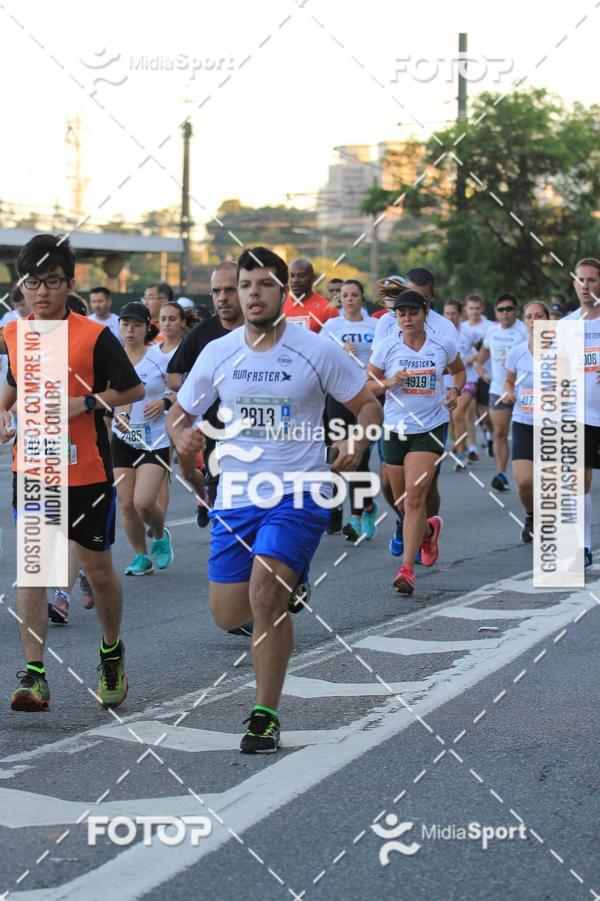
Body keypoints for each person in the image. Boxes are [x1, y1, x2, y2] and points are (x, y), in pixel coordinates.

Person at [167, 246, 381, 753]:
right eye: (245, 286)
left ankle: (264, 714)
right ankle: (293, 577)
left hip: (300, 488)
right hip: (238, 494)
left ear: (283, 291)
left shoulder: (315, 346)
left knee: (266, 595)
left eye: (264, 284)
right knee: (228, 613)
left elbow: (367, 402)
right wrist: (182, 436)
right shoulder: (218, 353)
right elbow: (179, 413)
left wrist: (358, 439)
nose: (253, 294)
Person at [1, 234, 144, 711]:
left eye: (53, 282)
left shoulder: (94, 335)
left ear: (70, 282)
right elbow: (14, 384)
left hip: (87, 475)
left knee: (98, 572)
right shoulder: (15, 333)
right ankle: (35, 675)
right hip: (34, 467)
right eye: (33, 282)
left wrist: (86, 403)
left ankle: (110, 652)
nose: (42, 292)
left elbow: (133, 390)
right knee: (34, 571)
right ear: (21, 286)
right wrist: (3, 413)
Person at [367, 290, 465, 594]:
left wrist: (454, 391)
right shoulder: (387, 347)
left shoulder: (441, 344)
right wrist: (388, 383)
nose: (407, 319)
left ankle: (407, 570)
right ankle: (428, 530)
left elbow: (459, 371)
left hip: (430, 427)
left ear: (425, 314)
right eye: (401, 314)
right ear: (395, 317)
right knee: (402, 505)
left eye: (413, 313)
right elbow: (367, 385)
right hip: (395, 428)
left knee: (413, 499)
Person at [166, 262, 244, 527]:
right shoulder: (203, 335)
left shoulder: (266, 332)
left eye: (230, 290)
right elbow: (173, 375)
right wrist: (199, 385)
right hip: (217, 440)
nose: (222, 297)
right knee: (226, 529)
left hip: (265, 445)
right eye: (216, 291)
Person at [111, 302, 175, 576]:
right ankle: (141, 556)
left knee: (144, 502)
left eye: (136, 325)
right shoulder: (112, 359)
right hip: (123, 438)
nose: (130, 330)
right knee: (125, 504)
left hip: (155, 439)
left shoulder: (160, 359)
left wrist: (164, 402)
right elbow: (108, 399)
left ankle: (160, 536)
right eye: (126, 324)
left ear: (147, 327)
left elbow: (181, 393)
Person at [321, 279, 378, 540]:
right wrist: (340, 351)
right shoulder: (332, 327)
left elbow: (384, 357)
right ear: (340, 300)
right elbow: (320, 358)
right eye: (345, 295)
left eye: (355, 294)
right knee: (337, 455)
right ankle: (361, 505)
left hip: (366, 395)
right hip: (337, 395)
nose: (350, 299)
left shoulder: (375, 326)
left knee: (360, 456)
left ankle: (358, 517)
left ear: (362, 298)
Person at [503, 301, 551, 543]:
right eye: (530, 317)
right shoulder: (517, 352)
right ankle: (532, 515)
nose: (534, 321)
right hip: (524, 421)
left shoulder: (562, 351)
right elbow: (508, 381)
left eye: (539, 316)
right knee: (524, 482)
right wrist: (509, 391)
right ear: (526, 322)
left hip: (554, 425)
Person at [565, 258, 600, 567]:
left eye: (592, 280)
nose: (586, 286)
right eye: (581, 280)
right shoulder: (565, 326)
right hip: (579, 415)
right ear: (574, 285)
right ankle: (584, 547)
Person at [477, 294, 527, 491]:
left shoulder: (524, 330)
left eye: (509, 309)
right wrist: (481, 371)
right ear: (496, 312)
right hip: (498, 389)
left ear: (516, 310)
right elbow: (481, 358)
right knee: (499, 432)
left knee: (530, 432)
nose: (505, 313)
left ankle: (533, 472)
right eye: (501, 310)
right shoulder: (492, 331)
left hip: (524, 390)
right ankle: (501, 473)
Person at [442, 300, 480, 470]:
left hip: (467, 379)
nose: (450, 317)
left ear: (460, 314)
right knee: (449, 420)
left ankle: (461, 453)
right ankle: (458, 444)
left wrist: (475, 359)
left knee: (458, 415)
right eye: (447, 313)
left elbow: (484, 349)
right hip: (445, 382)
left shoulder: (470, 333)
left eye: (454, 313)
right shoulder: (439, 332)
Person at [464, 294, 493, 459]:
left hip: (485, 374)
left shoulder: (489, 327)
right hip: (468, 376)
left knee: (486, 414)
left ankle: (489, 436)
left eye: (477, 308)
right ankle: (473, 448)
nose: (474, 311)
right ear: (466, 310)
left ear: (482, 308)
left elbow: (489, 350)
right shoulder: (462, 327)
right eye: (471, 308)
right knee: (469, 413)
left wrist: (474, 359)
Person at [283, 258, 338, 332]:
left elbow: (336, 340)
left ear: (313, 278)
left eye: (301, 276)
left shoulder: (328, 309)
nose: (295, 280)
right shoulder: (279, 307)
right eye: (292, 276)